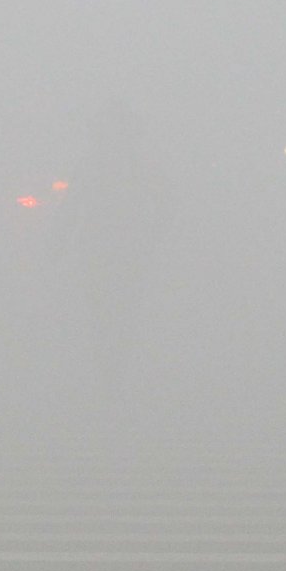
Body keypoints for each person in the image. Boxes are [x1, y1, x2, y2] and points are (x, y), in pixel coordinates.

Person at [55, 98, 169, 394]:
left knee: (109, 310)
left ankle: (110, 376)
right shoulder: (130, 163)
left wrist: (57, 245)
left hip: (109, 248)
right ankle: (113, 376)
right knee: (117, 310)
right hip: (117, 249)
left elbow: (72, 207)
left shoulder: (111, 163)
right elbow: (161, 205)